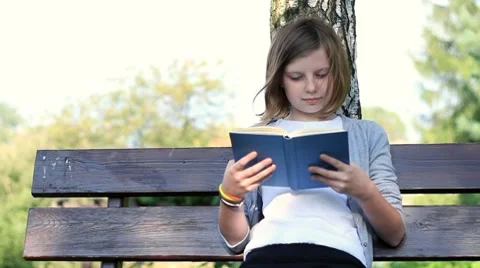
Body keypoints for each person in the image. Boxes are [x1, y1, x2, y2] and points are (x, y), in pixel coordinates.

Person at [217, 17, 406, 268]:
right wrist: (230, 197)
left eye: (321, 74)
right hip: (267, 256)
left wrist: (365, 191)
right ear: (280, 79)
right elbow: (235, 241)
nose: (311, 87)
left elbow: (394, 234)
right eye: (296, 76)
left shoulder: (367, 135)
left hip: (338, 256)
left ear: (336, 72)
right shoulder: (260, 138)